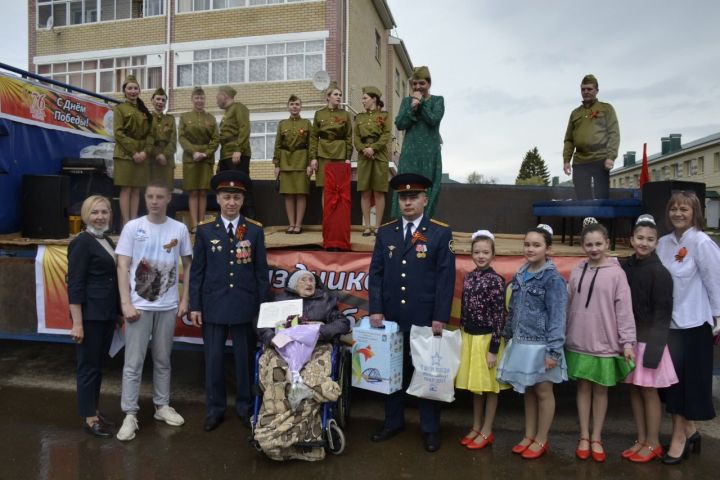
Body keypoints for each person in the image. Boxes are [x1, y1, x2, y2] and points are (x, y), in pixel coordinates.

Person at [368, 173, 456, 453]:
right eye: (403, 198)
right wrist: (376, 309)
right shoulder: (386, 231)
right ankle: (393, 422)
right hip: (392, 316)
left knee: (427, 372)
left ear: (424, 200)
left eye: (413, 197)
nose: (407, 202)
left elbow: (446, 278)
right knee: (394, 371)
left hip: (425, 316)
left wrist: (440, 315)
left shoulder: (440, 232)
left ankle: (430, 428)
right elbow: (376, 273)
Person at [189, 170, 269, 432]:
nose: (231, 202)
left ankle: (245, 408)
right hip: (213, 306)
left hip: (244, 306)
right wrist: (195, 305)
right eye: (226, 197)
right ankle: (215, 409)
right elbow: (197, 271)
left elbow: (260, 273)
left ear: (242, 200)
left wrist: (263, 309)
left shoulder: (254, 231)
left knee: (244, 361)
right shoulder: (204, 230)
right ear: (219, 199)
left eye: (236, 197)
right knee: (213, 362)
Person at [115, 180, 193, 442]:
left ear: (169, 198)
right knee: (133, 363)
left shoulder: (179, 228)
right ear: (145, 198)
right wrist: (126, 303)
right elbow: (122, 266)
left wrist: (185, 299)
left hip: (168, 306)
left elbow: (188, 265)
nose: (154, 201)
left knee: (162, 360)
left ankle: (162, 406)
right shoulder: (132, 227)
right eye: (150, 196)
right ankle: (129, 413)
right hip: (139, 307)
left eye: (160, 196)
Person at [254, 270, 350, 461]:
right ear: (293, 284)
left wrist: (319, 331)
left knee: (310, 376)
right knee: (276, 373)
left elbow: (343, 323)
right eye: (304, 280)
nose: (309, 283)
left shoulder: (325, 300)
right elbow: (261, 324)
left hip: (315, 347)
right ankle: (273, 428)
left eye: (312, 280)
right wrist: (272, 338)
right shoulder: (280, 301)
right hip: (282, 346)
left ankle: (303, 436)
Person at [655, 191, 720, 464]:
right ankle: (691, 432)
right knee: (667, 386)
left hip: (693, 325)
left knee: (686, 387)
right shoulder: (663, 243)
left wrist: (718, 317)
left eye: (684, 209)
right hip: (667, 325)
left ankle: (679, 438)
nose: (678, 214)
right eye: (674, 209)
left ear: (695, 213)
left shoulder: (702, 243)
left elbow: (714, 282)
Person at [565, 218, 636, 463]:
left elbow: (624, 310)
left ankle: (597, 437)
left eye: (598, 243)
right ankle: (583, 435)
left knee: (601, 391)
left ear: (607, 243)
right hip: (578, 340)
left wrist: (627, 342)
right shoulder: (577, 270)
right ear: (582, 246)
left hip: (605, 342)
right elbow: (567, 304)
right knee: (583, 388)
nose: (593, 248)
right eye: (588, 244)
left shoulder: (617, 274)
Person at [496, 224, 568, 460]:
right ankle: (528, 435)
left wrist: (553, 351)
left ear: (548, 249)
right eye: (527, 244)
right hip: (521, 342)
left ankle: (541, 438)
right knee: (527, 390)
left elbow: (558, 317)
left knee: (544, 391)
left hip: (541, 345)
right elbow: (512, 309)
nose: (530, 248)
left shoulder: (553, 279)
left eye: (536, 245)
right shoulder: (520, 274)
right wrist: (507, 336)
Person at [620, 214, 677, 463]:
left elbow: (663, 313)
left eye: (650, 239)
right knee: (634, 390)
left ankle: (653, 442)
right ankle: (641, 439)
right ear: (632, 239)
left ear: (656, 243)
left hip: (649, 342)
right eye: (640, 238)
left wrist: (654, 350)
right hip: (630, 341)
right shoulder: (625, 266)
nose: (644, 243)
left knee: (649, 392)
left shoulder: (660, 272)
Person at [67, 195, 120, 438]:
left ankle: (94, 410)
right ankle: (89, 418)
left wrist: (117, 313)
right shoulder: (81, 242)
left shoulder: (106, 239)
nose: (100, 217)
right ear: (87, 215)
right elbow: (75, 285)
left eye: (104, 212)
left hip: (105, 314)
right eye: (95, 212)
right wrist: (77, 323)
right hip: (89, 317)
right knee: (88, 367)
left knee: (98, 366)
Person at [455, 230, 510, 450]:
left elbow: (499, 316)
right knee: (475, 388)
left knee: (489, 388)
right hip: (470, 337)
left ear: (493, 254)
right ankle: (476, 426)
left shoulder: (497, 281)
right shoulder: (468, 277)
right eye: (477, 252)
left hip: (487, 340)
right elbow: (464, 310)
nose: (481, 256)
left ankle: (487, 429)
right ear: (471, 254)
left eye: (485, 252)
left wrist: (494, 349)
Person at [391, 66, 444, 219]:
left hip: (429, 154)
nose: (417, 87)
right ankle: (400, 223)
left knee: (427, 187)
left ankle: (424, 223)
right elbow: (400, 123)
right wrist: (412, 108)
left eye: (421, 83)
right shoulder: (407, 101)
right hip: (410, 153)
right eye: (414, 84)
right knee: (406, 185)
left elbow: (433, 120)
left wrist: (422, 104)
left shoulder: (438, 100)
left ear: (429, 83)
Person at [562, 74, 620, 200]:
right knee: (582, 199)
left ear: (596, 90)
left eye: (589, 89)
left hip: (600, 158)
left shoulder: (606, 109)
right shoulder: (575, 113)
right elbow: (569, 139)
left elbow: (614, 133)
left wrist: (611, 156)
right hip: (580, 161)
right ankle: (585, 220)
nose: (586, 92)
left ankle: (601, 220)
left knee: (601, 198)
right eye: (583, 89)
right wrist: (566, 160)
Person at [112, 74, 152, 226]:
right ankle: (125, 222)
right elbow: (118, 133)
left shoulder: (144, 111)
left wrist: (144, 153)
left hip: (141, 154)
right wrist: (134, 152)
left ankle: (134, 221)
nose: (133, 91)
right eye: (129, 88)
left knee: (136, 190)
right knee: (126, 189)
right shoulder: (120, 109)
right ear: (124, 91)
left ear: (139, 91)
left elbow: (150, 134)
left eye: (135, 88)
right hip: (125, 155)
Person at [179, 86, 219, 232]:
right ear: (192, 99)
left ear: (205, 100)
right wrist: (193, 152)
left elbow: (215, 139)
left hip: (205, 159)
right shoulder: (185, 117)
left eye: (202, 98)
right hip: (191, 159)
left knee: (203, 191)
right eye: (196, 98)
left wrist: (206, 153)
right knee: (193, 192)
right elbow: (182, 137)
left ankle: (202, 223)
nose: (199, 101)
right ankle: (194, 224)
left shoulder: (211, 118)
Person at [354, 86, 391, 236]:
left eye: (365, 98)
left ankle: (377, 227)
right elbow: (356, 137)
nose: (362, 101)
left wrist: (373, 148)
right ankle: (367, 226)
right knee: (365, 191)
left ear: (374, 99)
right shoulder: (360, 118)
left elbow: (386, 134)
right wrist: (363, 149)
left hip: (379, 155)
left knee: (379, 191)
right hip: (363, 156)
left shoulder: (385, 116)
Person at [273, 95, 312, 234]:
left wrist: (310, 164)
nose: (294, 106)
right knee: (288, 194)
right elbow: (277, 145)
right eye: (292, 104)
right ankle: (291, 224)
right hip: (286, 161)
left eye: (297, 104)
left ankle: (298, 225)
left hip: (301, 161)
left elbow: (311, 145)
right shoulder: (282, 124)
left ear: (301, 106)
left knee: (301, 194)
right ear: (288, 106)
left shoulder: (307, 123)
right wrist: (277, 164)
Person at [308, 82, 353, 203]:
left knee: (339, 188)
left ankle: (338, 220)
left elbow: (349, 137)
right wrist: (313, 157)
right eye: (336, 94)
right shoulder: (319, 114)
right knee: (326, 188)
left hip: (340, 153)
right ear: (328, 97)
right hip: (323, 154)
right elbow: (313, 137)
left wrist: (348, 157)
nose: (339, 97)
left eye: (340, 95)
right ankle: (327, 220)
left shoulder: (345, 114)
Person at [216, 85, 255, 218]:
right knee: (227, 188)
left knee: (241, 188)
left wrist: (239, 149)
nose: (216, 99)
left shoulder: (239, 108)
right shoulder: (227, 113)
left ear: (225, 95)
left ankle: (250, 222)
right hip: (226, 155)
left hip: (236, 155)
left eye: (218, 95)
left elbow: (244, 128)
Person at [148, 87, 177, 188]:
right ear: (152, 100)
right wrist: (157, 155)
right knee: (152, 191)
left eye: (163, 100)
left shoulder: (170, 119)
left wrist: (164, 155)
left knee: (167, 191)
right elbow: (146, 139)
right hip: (151, 160)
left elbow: (173, 141)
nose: (160, 102)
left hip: (167, 161)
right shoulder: (146, 118)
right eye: (158, 99)